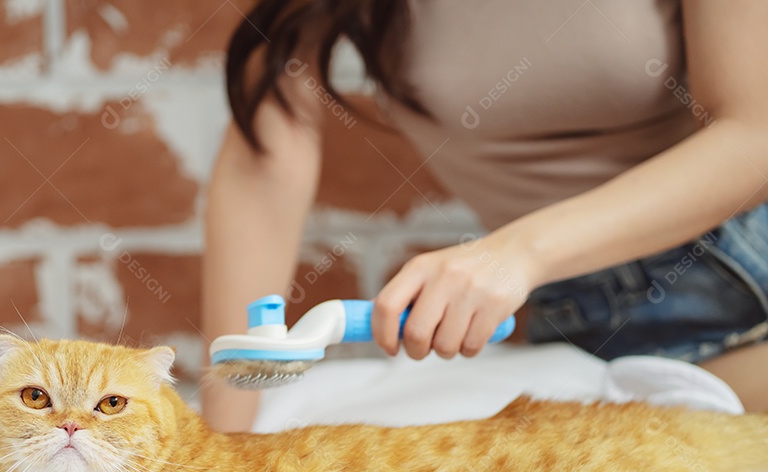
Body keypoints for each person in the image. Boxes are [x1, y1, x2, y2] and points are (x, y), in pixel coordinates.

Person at [200, 0, 768, 432]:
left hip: (743, 262)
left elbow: (753, 135)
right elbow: (263, 173)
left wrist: (521, 252)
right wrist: (219, 443)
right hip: (586, 317)